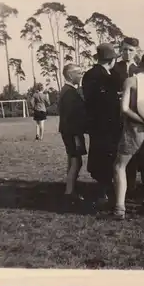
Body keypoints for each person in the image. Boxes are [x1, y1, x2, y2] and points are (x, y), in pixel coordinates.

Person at [113, 52, 144, 219]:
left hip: (135, 129)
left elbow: (125, 108)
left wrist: (142, 121)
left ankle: (120, 207)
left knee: (120, 166)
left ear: (143, 64)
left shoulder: (131, 81)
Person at [82, 43, 123, 203]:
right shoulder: (106, 77)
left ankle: (103, 188)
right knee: (106, 156)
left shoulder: (89, 74)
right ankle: (104, 190)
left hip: (97, 124)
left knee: (100, 155)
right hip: (107, 123)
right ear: (111, 60)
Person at [112, 37, 143, 197]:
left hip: (135, 116)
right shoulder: (114, 69)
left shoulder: (139, 70)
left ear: (136, 51)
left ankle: (132, 186)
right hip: (117, 116)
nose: (127, 53)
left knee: (135, 152)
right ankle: (118, 185)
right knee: (119, 152)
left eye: (131, 50)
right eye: (124, 49)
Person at [58, 64, 87, 206]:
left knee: (72, 161)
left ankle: (69, 190)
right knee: (77, 161)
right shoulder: (70, 93)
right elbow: (72, 116)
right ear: (70, 75)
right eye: (79, 73)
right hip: (73, 132)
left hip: (69, 131)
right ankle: (69, 192)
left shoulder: (66, 91)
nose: (81, 75)